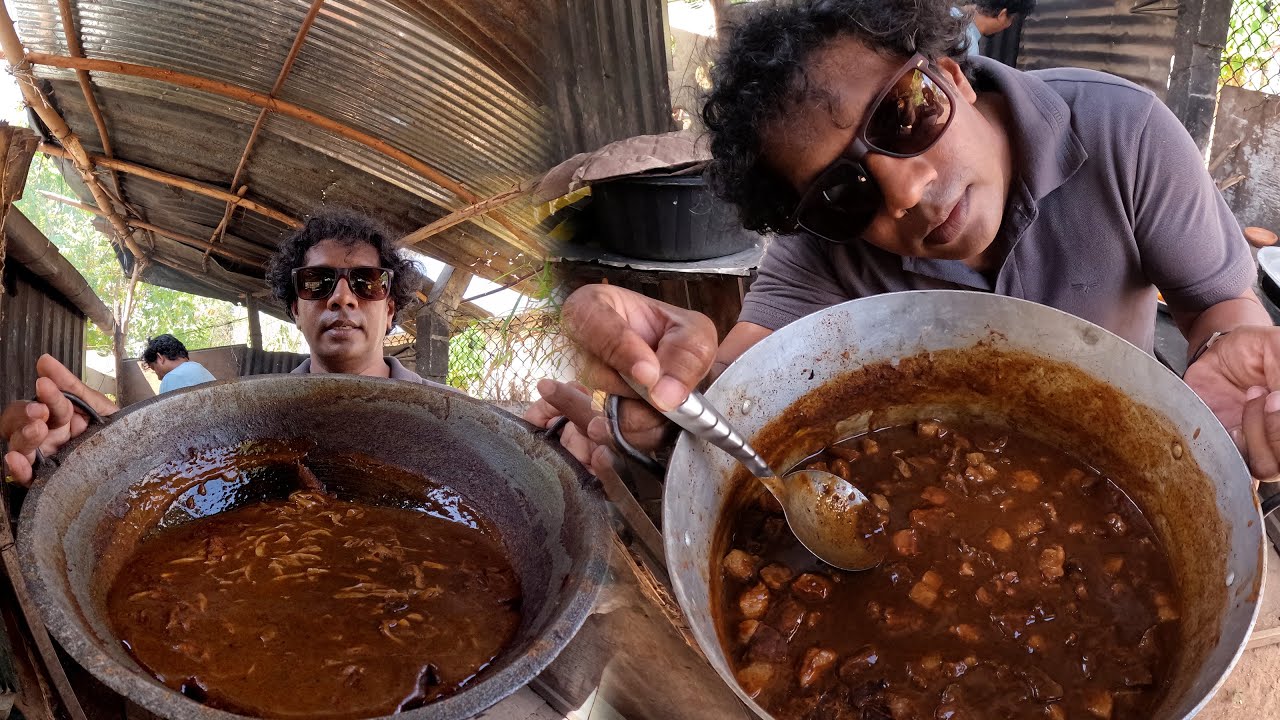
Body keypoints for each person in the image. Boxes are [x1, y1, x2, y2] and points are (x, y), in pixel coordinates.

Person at [531, 0, 1280, 484]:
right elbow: (743, 381)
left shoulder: (1126, 134)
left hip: (1117, 464)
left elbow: (1219, 303)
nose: (905, 192)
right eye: (841, 192)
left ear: (950, 73)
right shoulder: (825, 247)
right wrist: (662, 399)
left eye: (903, 116)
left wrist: (1236, 370)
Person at [2, 209, 441, 486]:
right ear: (295, 308)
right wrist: (105, 454)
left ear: (391, 309)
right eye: (317, 282)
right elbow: (188, 468)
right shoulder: (249, 418)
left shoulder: (448, 422)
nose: (342, 297)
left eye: (366, 283)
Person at [142, 334, 217, 393]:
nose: (158, 378)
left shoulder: (170, 378)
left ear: (160, 358)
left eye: (154, 368)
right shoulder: (198, 367)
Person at [958, 0, 1036, 56]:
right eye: (1012, 19)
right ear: (1002, 15)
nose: (1009, 25)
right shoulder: (968, 49)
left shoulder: (948, 12)